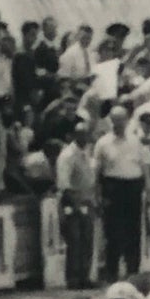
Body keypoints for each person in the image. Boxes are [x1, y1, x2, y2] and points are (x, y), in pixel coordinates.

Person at [93, 104, 150, 283]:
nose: (118, 124)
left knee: (133, 230)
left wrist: (149, 188)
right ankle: (111, 271)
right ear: (111, 121)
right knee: (113, 231)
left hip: (133, 187)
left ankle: (133, 270)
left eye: (121, 120)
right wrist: (97, 195)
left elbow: (144, 166)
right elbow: (97, 172)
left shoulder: (135, 141)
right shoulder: (103, 143)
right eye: (115, 121)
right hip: (113, 187)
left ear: (127, 121)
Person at [55, 120, 97, 289]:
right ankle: (73, 278)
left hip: (87, 200)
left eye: (86, 134)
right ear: (74, 135)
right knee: (75, 240)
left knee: (87, 240)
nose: (84, 137)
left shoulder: (85, 153)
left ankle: (84, 276)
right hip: (72, 203)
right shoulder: (67, 156)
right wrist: (77, 205)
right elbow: (65, 184)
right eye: (81, 134)